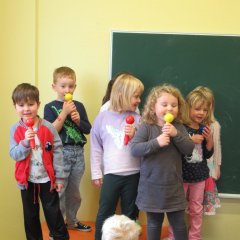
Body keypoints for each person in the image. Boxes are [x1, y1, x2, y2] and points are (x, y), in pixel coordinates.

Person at [130, 84, 194, 240]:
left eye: (174, 105)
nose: (170, 108)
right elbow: (135, 149)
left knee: (179, 224)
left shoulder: (178, 127)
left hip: (173, 186)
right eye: (164, 104)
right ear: (153, 106)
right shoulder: (147, 126)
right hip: (151, 186)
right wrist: (156, 142)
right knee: (153, 223)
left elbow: (189, 148)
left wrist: (176, 134)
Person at [9, 83, 69, 240]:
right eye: (21, 105)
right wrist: (24, 143)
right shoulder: (15, 130)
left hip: (47, 180)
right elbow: (14, 154)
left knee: (54, 215)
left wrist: (60, 177)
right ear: (15, 107)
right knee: (30, 218)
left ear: (38, 104)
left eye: (31, 104)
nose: (26, 109)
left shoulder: (48, 127)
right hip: (27, 181)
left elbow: (57, 152)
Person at [90, 73, 144, 240]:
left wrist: (136, 134)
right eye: (136, 96)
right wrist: (96, 173)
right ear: (122, 95)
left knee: (131, 214)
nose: (139, 100)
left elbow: (145, 147)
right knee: (105, 212)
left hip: (134, 174)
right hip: (111, 175)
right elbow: (95, 147)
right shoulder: (102, 118)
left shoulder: (138, 119)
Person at [44, 66, 92, 232]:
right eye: (63, 86)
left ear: (75, 87)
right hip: (61, 153)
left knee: (74, 192)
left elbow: (88, 129)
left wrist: (78, 121)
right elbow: (50, 131)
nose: (67, 90)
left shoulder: (79, 105)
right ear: (54, 87)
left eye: (70, 86)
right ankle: (57, 226)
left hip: (78, 153)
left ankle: (72, 220)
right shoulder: (50, 107)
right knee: (60, 191)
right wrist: (64, 113)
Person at [182, 89, 214, 240]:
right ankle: (175, 236)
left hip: (199, 176)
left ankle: (195, 237)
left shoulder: (205, 129)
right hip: (181, 176)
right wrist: (190, 140)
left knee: (196, 209)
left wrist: (209, 140)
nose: (201, 113)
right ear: (188, 108)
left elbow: (207, 154)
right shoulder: (180, 127)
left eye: (205, 110)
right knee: (178, 210)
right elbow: (176, 149)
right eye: (197, 109)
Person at [194, 86, 221, 215]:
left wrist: (217, 167)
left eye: (206, 106)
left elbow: (217, 148)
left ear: (211, 106)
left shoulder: (214, 125)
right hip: (193, 168)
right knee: (192, 202)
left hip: (208, 169)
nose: (202, 111)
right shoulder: (189, 124)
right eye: (198, 107)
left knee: (201, 203)